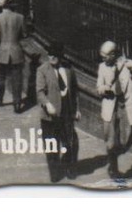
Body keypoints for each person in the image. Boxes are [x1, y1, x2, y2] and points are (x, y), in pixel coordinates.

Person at [96, 40, 132, 180]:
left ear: (113, 54)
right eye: (102, 56)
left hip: (126, 105)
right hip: (111, 106)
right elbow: (99, 87)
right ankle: (113, 167)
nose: (103, 59)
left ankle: (116, 153)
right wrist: (104, 89)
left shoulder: (129, 65)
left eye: (106, 56)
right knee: (110, 140)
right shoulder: (102, 67)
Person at [35, 40, 79, 182]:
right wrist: (47, 104)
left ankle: (69, 168)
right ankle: (54, 172)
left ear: (61, 55)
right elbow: (40, 92)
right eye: (49, 54)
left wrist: (77, 109)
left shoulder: (68, 69)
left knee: (70, 143)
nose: (51, 57)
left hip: (66, 112)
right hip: (50, 115)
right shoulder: (42, 70)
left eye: (54, 55)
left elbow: (75, 91)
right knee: (51, 144)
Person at [0, 0, 27, 112]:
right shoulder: (20, 17)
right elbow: (24, 34)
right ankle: (17, 102)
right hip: (16, 51)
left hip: (2, 51)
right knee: (17, 78)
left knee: (0, 77)